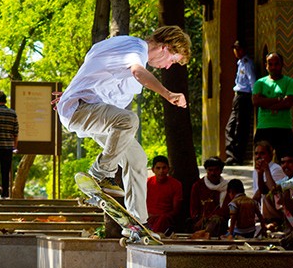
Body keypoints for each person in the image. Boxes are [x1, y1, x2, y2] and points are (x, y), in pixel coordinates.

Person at [54, 26, 191, 227]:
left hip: (93, 113)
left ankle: (137, 223)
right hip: (82, 109)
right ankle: (100, 174)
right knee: (129, 120)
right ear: (165, 47)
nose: (169, 67)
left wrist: (69, 92)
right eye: (173, 60)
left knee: (137, 159)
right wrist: (167, 94)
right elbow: (138, 72)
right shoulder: (136, 48)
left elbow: (93, 64)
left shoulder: (122, 48)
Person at [252, 52, 293, 161]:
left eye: (276, 64)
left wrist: (265, 102)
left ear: (282, 65)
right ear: (266, 65)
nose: (273, 67)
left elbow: (288, 103)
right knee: (261, 162)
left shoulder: (290, 82)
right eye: (270, 64)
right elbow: (256, 101)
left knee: (286, 161)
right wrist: (278, 99)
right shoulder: (260, 83)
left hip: (283, 128)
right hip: (264, 128)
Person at [225, 41, 256, 165]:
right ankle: (231, 155)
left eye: (238, 49)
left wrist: (254, 97)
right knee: (230, 127)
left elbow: (252, 81)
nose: (236, 52)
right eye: (235, 49)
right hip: (238, 97)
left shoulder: (247, 64)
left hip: (244, 97)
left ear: (243, 50)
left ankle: (237, 157)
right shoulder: (240, 63)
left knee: (240, 128)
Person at [250, 140, 288, 230]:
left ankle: (276, 221)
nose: (258, 156)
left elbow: (268, 191)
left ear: (270, 155)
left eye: (262, 153)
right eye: (256, 154)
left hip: (275, 210)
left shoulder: (276, 169)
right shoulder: (256, 170)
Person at [189, 156, 229, 234]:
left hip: (219, 224)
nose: (213, 173)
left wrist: (210, 218)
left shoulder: (227, 187)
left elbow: (226, 210)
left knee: (216, 220)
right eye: (210, 170)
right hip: (200, 224)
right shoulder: (198, 186)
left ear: (221, 171)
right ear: (206, 170)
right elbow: (193, 209)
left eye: (216, 170)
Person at [146, 155, 183, 234]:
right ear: (153, 169)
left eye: (164, 168)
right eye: (158, 168)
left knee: (163, 219)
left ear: (168, 169)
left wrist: (159, 216)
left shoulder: (176, 184)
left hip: (165, 219)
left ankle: (153, 237)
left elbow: (176, 210)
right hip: (148, 218)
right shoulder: (146, 183)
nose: (161, 171)